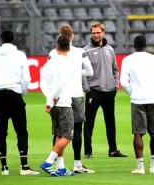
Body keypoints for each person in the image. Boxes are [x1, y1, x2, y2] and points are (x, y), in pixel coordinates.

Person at [0, 30, 39, 176]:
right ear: (13, 39)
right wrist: (20, 92)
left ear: (1, 40)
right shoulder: (20, 55)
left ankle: (4, 168)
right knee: (21, 130)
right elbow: (26, 79)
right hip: (14, 94)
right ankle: (24, 166)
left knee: (1, 131)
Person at [48, 24, 94, 173]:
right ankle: (77, 164)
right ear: (72, 36)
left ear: (59, 35)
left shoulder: (52, 53)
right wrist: (75, 73)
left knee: (58, 131)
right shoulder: (80, 52)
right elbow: (90, 71)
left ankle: (57, 164)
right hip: (76, 94)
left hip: (60, 96)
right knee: (78, 130)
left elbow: (49, 75)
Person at [120, 35, 154, 174]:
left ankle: (140, 167)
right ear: (146, 45)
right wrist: (153, 89)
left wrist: (132, 93)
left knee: (138, 133)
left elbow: (123, 82)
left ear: (134, 46)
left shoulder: (128, 60)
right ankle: (153, 166)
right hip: (153, 98)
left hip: (137, 99)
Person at [82, 22, 127, 158]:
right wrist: (87, 89)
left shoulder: (110, 50)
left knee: (110, 121)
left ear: (103, 33)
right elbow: (81, 72)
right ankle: (88, 151)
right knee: (89, 122)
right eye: (93, 33)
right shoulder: (85, 51)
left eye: (98, 32)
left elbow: (115, 69)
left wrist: (115, 85)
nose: (96, 35)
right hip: (93, 91)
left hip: (109, 91)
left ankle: (113, 150)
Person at [40, 35, 76, 177]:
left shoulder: (49, 62)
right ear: (69, 47)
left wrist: (48, 99)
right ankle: (48, 162)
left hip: (53, 103)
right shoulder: (68, 64)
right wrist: (52, 100)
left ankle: (61, 167)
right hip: (62, 102)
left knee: (59, 134)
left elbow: (43, 81)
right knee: (68, 135)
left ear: (56, 46)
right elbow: (61, 84)